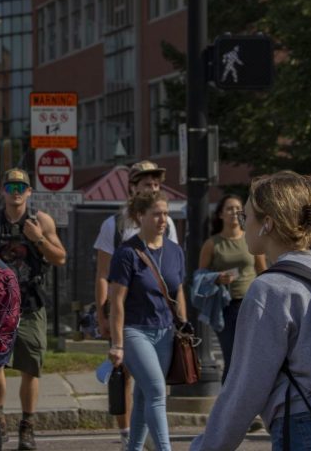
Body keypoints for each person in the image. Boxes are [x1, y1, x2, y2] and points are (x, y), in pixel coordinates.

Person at [190, 170, 311, 451]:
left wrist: (208, 446)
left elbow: (244, 388)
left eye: (247, 217)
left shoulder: (269, 289)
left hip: (302, 426)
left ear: (267, 224)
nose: (243, 225)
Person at [0, 168, 66, 450]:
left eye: (21, 187)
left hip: (29, 304)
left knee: (31, 367)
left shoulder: (41, 220)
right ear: (3, 191)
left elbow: (60, 258)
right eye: (11, 187)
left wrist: (38, 238)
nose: (16, 192)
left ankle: (27, 425)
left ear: (29, 192)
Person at [93, 160, 179, 449]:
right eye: (146, 182)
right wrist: (102, 316)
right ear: (133, 187)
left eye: (156, 183)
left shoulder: (168, 226)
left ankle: (133, 446)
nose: (152, 187)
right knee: (152, 389)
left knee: (145, 391)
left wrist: (181, 321)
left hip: (161, 322)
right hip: (129, 322)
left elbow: (172, 276)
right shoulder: (115, 225)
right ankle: (148, 442)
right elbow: (104, 276)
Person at [107, 190, 187, 451]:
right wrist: (117, 344)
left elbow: (178, 292)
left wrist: (183, 326)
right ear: (141, 216)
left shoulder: (175, 251)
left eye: (166, 213)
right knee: (156, 392)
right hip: (134, 331)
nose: (163, 219)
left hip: (165, 331)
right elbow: (116, 300)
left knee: (143, 396)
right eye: (156, 214)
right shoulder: (127, 253)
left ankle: (134, 449)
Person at [196, 194, 266, 382]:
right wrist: (217, 278)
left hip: (251, 303)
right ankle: (228, 404)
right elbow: (199, 277)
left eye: (237, 208)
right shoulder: (212, 244)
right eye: (229, 208)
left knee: (250, 357)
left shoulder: (251, 239)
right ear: (220, 214)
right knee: (233, 357)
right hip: (226, 306)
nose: (234, 212)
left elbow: (263, 271)